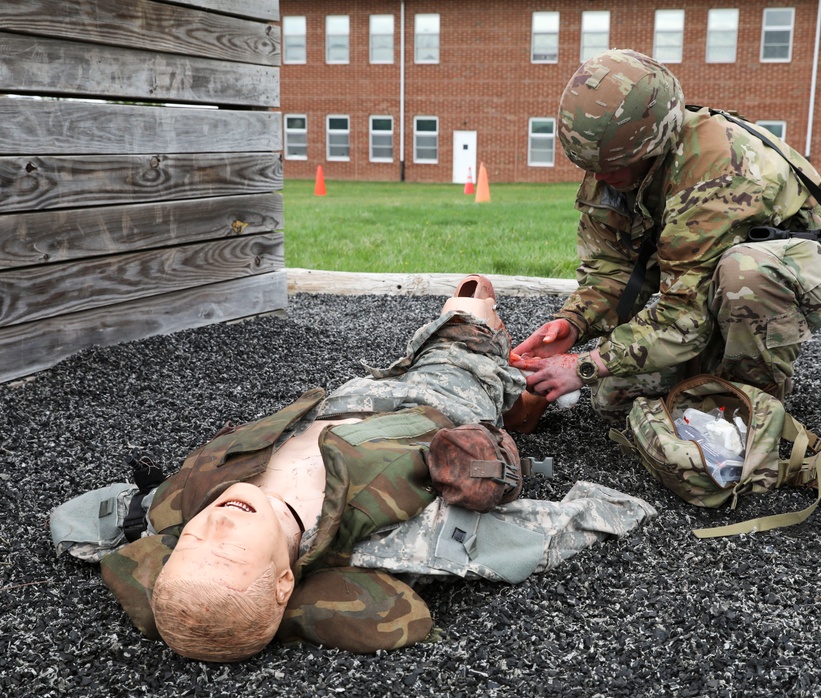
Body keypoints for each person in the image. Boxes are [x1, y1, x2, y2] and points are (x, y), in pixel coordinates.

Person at [49, 275, 654, 661]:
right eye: (230, 554)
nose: (216, 526)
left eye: (190, 546)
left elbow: (79, 523)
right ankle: (515, 387)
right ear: (285, 584)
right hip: (442, 399)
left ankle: (518, 385)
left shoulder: (177, 514)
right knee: (469, 303)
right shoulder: (388, 545)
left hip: (351, 396)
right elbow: (558, 528)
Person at [511, 49, 821, 423]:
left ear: (654, 144)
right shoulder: (617, 168)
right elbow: (613, 270)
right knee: (612, 398)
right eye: (592, 167)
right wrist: (574, 323)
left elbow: (684, 312)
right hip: (703, 289)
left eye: (614, 166)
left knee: (745, 273)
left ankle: (753, 403)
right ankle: (712, 371)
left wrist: (586, 366)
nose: (601, 177)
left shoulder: (717, 170)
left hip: (777, 286)